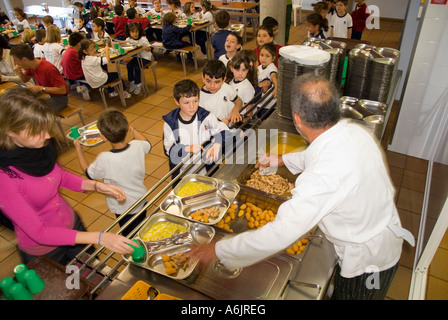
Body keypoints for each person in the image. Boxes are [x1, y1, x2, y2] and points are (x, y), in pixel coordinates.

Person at [190, 74, 415, 300]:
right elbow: (317, 155)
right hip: (375, 232)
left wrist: (219, 250)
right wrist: (281, 160)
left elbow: (280, 233)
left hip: (370, 263)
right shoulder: (352, 131)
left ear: (297, 120)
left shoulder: (321, 176)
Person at [0, 87, 135, 265]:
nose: (47, 135)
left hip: (74, 228)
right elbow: (39, 232)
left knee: (93, 275)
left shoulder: (39, 147)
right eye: (37, 131)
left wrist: (95, 186)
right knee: (74, 288)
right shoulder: (5, 177)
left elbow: (59, 176)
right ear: (10, 132)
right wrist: (101, 238)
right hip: (46, 252)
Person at [74, 108, 151, 236]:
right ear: (126, 128)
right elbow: (146, 142)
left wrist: (78, 150)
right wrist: (132, 129)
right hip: (141, 199)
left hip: (123, 207)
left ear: (103, 137)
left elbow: (88, 173)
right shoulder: (137, 146)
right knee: (142, 226)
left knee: (130, 235)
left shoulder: (105, 159)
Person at [163, 79, 231, 180]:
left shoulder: (204, 116)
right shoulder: (170, 122)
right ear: (177, 102)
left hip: (206, 169)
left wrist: (217, 144)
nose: (192, 107)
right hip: (183, 173)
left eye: (195, 101)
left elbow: (224, 130)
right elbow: (168, 150)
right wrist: (187, 148)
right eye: (186, 103)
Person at [11, 43, 69, 113]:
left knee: (32, 112)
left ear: (24, 60)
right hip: (48, 96)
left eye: (16, 60)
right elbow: (25, 80)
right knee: (22, 105)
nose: (15, 63)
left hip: (59, 100)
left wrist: (41, 88)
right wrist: (19, 73)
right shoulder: (32, 65)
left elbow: (63, 90)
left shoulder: (48, 69)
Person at [199, 59, 243, 126]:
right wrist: (218, 123)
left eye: (217, 82)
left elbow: (238, 100)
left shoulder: (225, 87)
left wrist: (235, 111)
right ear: (203, 77)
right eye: (208, 81)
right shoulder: (199, 99)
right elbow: (203, 122)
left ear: (223, 80)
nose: (212, 86)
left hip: (229, 127)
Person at [123, 22, 153, 95]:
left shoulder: (143, 39)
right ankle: (132, 81)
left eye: (136, 31)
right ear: (129, 32)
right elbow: (124, 44)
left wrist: (146, 48)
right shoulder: (129, 39)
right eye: (132, 32)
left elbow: (150, 49)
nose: (135, 34)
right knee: (129, 65)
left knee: (137, 67)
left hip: (146, 57)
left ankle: (138, 83)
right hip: (137, 57)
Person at [226, 50, 257, 116]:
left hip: (240, 121)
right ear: (231, 68)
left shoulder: (247, 88)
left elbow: (249, 113)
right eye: (237, 70)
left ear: (248, 70)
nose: (240, 73)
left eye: (244, 70)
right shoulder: (231, 82)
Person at [61, 32, 90, 100]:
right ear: (79, 43)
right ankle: (86, 86)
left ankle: (84, 86)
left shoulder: (68, 50)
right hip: (75, 74)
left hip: (67, 74)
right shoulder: (75, 52)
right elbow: (87, 60)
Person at [257, 42, 278, 118]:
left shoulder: (271, 67)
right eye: (261, 55)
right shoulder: (259, 68)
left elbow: (274, 76)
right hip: (260, 103)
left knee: (268, 127)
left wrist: (276, 87)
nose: (263, 58)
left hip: (268, 105)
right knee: (261, 126)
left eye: (267, 56)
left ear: (273, 58)